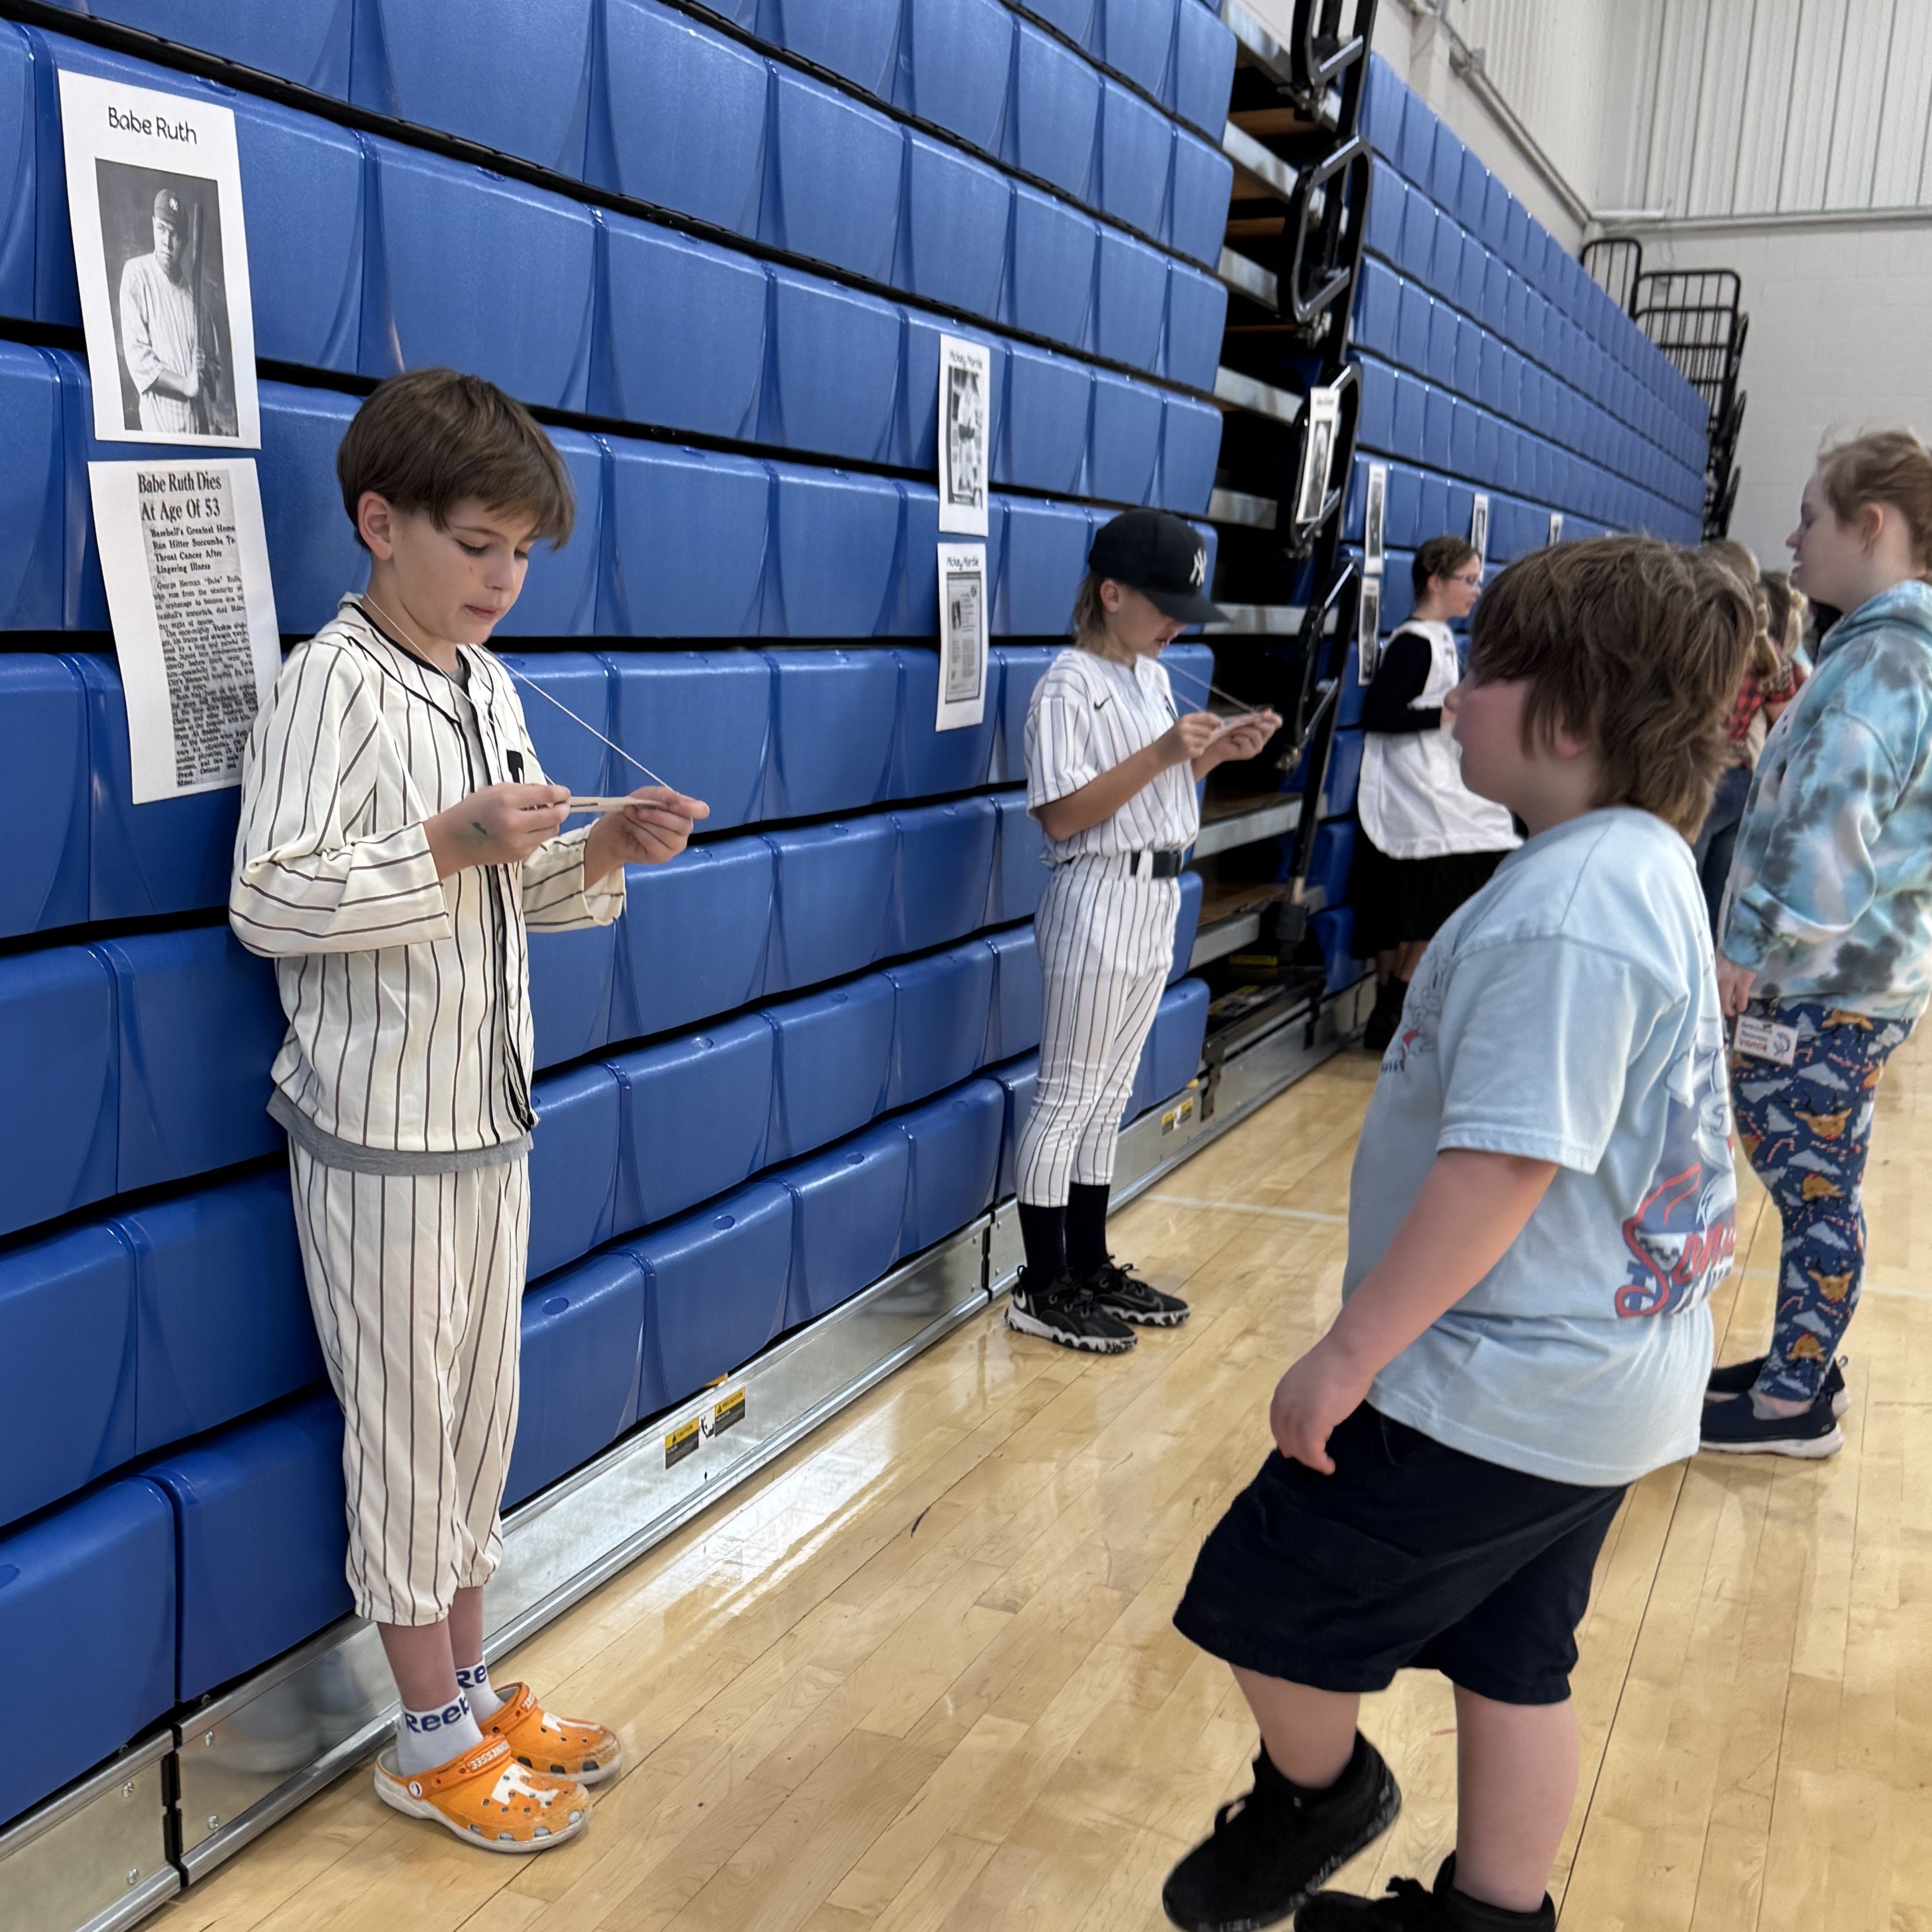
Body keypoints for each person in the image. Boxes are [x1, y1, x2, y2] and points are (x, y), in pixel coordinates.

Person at [1160, 538, 1753, 1932]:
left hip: (1497, 1383)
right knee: (1515, 1659)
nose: (1457, 696)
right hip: (1607, 1379)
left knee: (1261, 1593)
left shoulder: (1574, 906)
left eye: (1484, 672)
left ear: (1568, 714)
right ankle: (1491, 1917)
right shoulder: (1634, 861)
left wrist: (1347, 1353)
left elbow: (1501, 1166)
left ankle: (1320, 1797)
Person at [230, 369, 710, 1851]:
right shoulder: (330, 683)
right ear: (381, 524)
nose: (503, 579)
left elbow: (505, 899)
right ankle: (421, 1732)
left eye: (521, 553)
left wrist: (606, 848)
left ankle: (472, 1684)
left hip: (487, 1120)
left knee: (477, 1426)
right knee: (408, 1438)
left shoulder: (485, 681)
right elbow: (269, 900)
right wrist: (444, 837)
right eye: (477, 544)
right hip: (377, 1134)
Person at [1703, 430, 1932, 1458]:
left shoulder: (1884, 659)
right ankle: (1802, 1362)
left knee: (1809, 1184)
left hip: (1818, 980)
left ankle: (1795, 1397)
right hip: (1854, 977)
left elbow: (1828, 829)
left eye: (1809, 517)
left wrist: (1744, 949)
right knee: (1814, 1179)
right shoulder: (1885, 649)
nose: (1791, 538)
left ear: (1870, 526)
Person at [1011, 509, 1279, 1354]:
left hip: (1156, 890)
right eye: (1163, 606)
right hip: (1094, 892)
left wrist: (1213, 757)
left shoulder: (1151, 679)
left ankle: (1087, 1262)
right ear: (1110, 591)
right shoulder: (1066, 682)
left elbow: (1160, 792)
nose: (1175, 625)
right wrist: (1165, 757)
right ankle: (1041, 1282)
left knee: (1111, 1093)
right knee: (1068, 1094)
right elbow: (1062, 816)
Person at [1353, 536, 1521, 1055]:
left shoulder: (1443, 638)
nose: (1476, 589)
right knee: (1460, 872)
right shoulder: (1412, 642)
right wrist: (1447, 712)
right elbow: (1381, 714)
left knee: (1479, 847)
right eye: (1468, 580)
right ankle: (1396, 1000)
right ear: (1435, 581)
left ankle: (1396, 1002)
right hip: (1409, 782)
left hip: (1433, 778)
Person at [1688, 540, 1796, 932]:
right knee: (1716, 894)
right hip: (1743, 782)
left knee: (1685, 889)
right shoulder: (1767, 650)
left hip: (1704, 780)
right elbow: (1785, 720)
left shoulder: (1705, 642)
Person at [118, 186, 229, 436]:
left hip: (198, 427)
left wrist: (205, 372)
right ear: (153, 226)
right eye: (162, 230)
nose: (167, 243)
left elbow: (215, 369)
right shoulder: (137, 275)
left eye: (176, 235)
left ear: (186, 242)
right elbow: (138, 359)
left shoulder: (196, 299)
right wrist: (185, 384)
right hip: (160, 428)